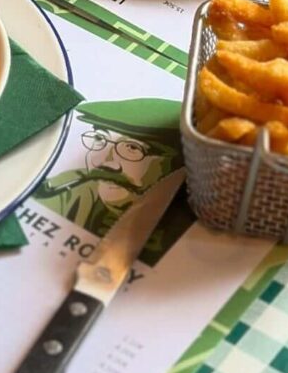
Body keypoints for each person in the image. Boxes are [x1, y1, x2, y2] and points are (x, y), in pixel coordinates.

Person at [34, 98, 193, 265]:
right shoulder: (69, 192)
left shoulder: (190, 226)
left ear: (176, 159)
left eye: (132, 148)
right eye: (99, 139)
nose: (107, 164)